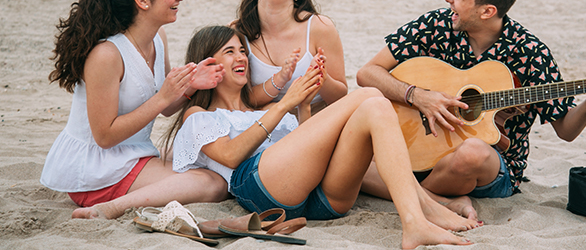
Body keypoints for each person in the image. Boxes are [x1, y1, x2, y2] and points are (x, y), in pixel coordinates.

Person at [162, 25, 479, 249]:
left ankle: (419, 214)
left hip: (319, 199)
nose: (241, 58)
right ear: (208, 62)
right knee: (367, 93)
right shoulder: (199, 116)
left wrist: (302, 108)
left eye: (242, 51)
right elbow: (231, 156)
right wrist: (286, 102)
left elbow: (304, 155)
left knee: (375, 108)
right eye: (229, 52)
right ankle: (420, 217)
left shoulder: (265, 109)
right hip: (257, 188)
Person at [357, 0, 586, 206]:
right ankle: (435, 200)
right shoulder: (436, 25)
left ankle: (408, 192)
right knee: (348, 152)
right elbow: (367, 73)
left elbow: (567, 131)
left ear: (487, 11)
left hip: (488, 169)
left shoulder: (531, 53)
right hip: (421, 149)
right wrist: (418, 96)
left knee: (472, 152)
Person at [40, 0, 229, 219]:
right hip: (96, 169)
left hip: (134, 154)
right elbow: (104, 136)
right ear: (142, 0)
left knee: (212, 158)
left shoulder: (157, 38)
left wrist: (189, 87)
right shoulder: (107, 55)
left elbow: (164, 108)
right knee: (213, 184)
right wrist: (163, 97)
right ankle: (109, 208)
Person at [233, 0, 347, 113]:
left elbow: (340, 98)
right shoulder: (238, 33)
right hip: (264, 125)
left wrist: (321, 78)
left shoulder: (320, 26)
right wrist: (278, 80)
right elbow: (240, 99)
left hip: (314, 122)